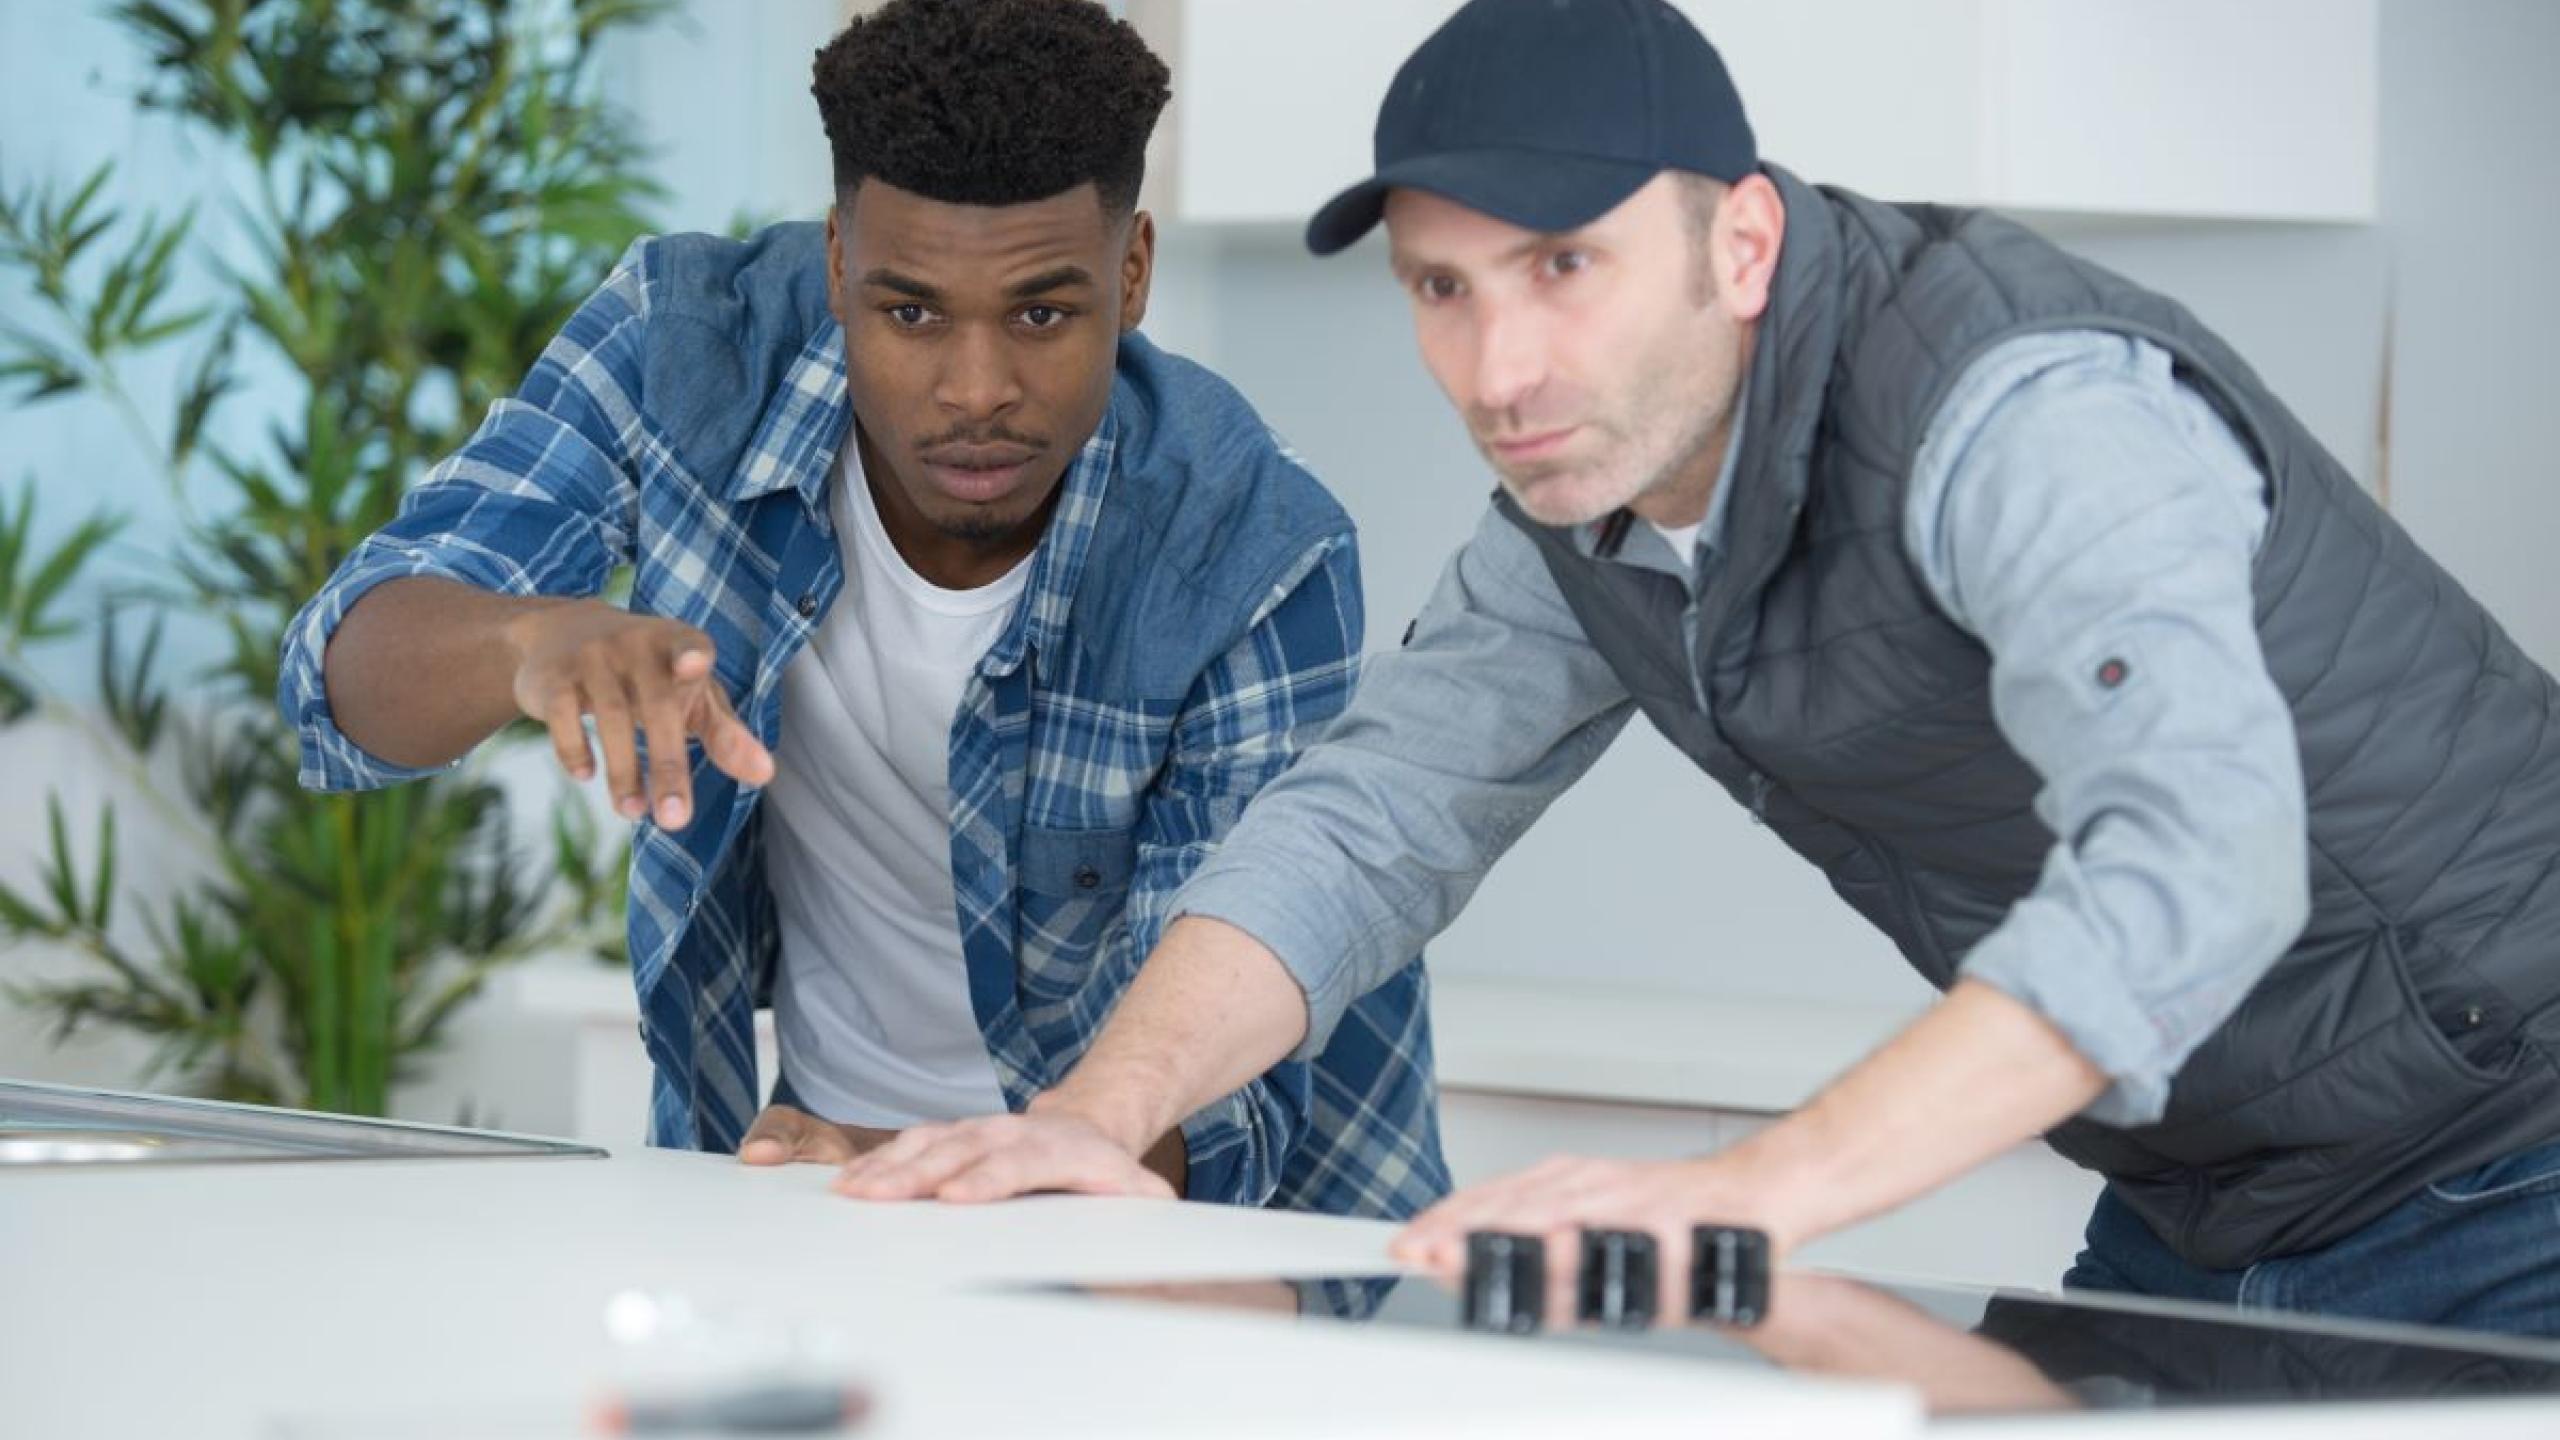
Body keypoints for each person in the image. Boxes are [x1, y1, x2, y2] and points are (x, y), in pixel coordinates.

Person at [834, 0, 2560, 1336]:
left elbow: (2200, 860)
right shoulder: (1582, 508)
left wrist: (1743, 1193)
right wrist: (1096, 1109)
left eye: (1563, 269)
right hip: (2214, 1189)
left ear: (1739, 246)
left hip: (2515, 1153)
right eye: (1443, 287)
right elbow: (1376, 815)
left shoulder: (2027, 414)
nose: (1500, 364)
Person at [276, 0, 1448, 1221]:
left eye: (1043, 313)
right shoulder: (686, 352)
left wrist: (899, 1164)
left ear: (1133, 271)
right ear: (838, 261)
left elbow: (1213, 1118)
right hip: (802, 1178)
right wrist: (525, 642)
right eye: (911, 313)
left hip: (1199, 1233)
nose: (976, 390)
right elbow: (335, 689)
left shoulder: (1253, 551)